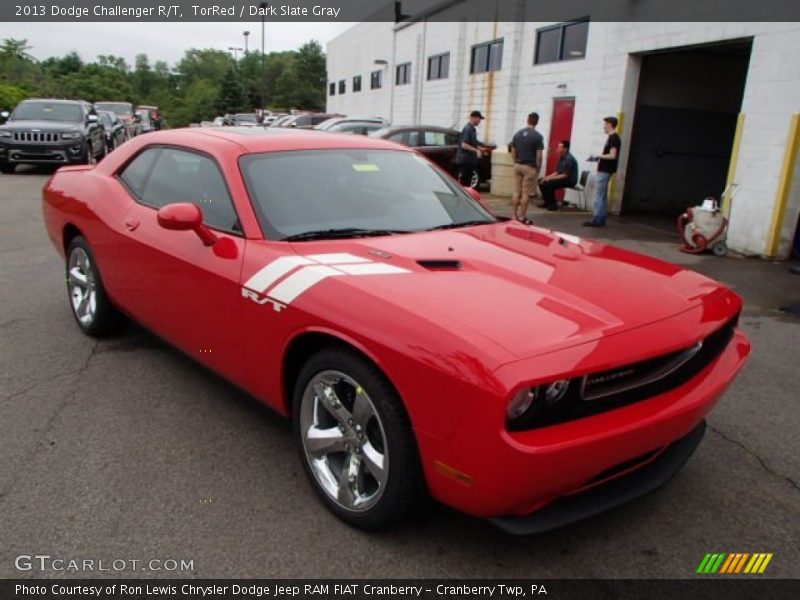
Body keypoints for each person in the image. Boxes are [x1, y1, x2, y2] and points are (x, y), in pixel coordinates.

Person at [584, 116, 621, 227]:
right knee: (602, 195)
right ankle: (601, 218)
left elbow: (613, 155)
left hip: (605, 170)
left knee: (599, 195)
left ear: (610, 125)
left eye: (605, 124)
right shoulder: (612, 138)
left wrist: (598, 156)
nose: (603, 127)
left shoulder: (614, 138)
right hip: (606, 169)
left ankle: (597, 219)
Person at [510, 112, 544, 223]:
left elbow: (513, 150)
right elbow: (539, 156)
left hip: (517, 165)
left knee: (516, 191)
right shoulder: (538, 137)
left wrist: (515, 161)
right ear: (537, 122)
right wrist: (538, 169)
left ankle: (513, 215)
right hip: (529, 167)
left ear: (527, 120)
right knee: (526, 194)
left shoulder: (517, 134)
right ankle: (521, 217)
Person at [539, 140, 578, 211]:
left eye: (560, 147)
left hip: (570, 180)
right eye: (558, 146)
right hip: (563, 178)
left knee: (549, 184)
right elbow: (557, 172)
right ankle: (547, 202)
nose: (557, 148)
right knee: (541, 181)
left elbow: (565, 175)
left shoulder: (569, 159)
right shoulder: (561, 157)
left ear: (565, 149)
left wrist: (550, 179)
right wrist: (547, 177)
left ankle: (553, 205)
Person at [455, 110, 484, 186]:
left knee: (468, 181)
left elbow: (472, 143)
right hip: (465, 161)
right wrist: (476, 150)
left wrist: (479, 147)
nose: (480, 121)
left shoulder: (472, 129)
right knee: (465, 182)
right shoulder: (468, 129)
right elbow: (464, 144)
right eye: (479, 119)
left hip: (470, 161)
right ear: (473, 118)